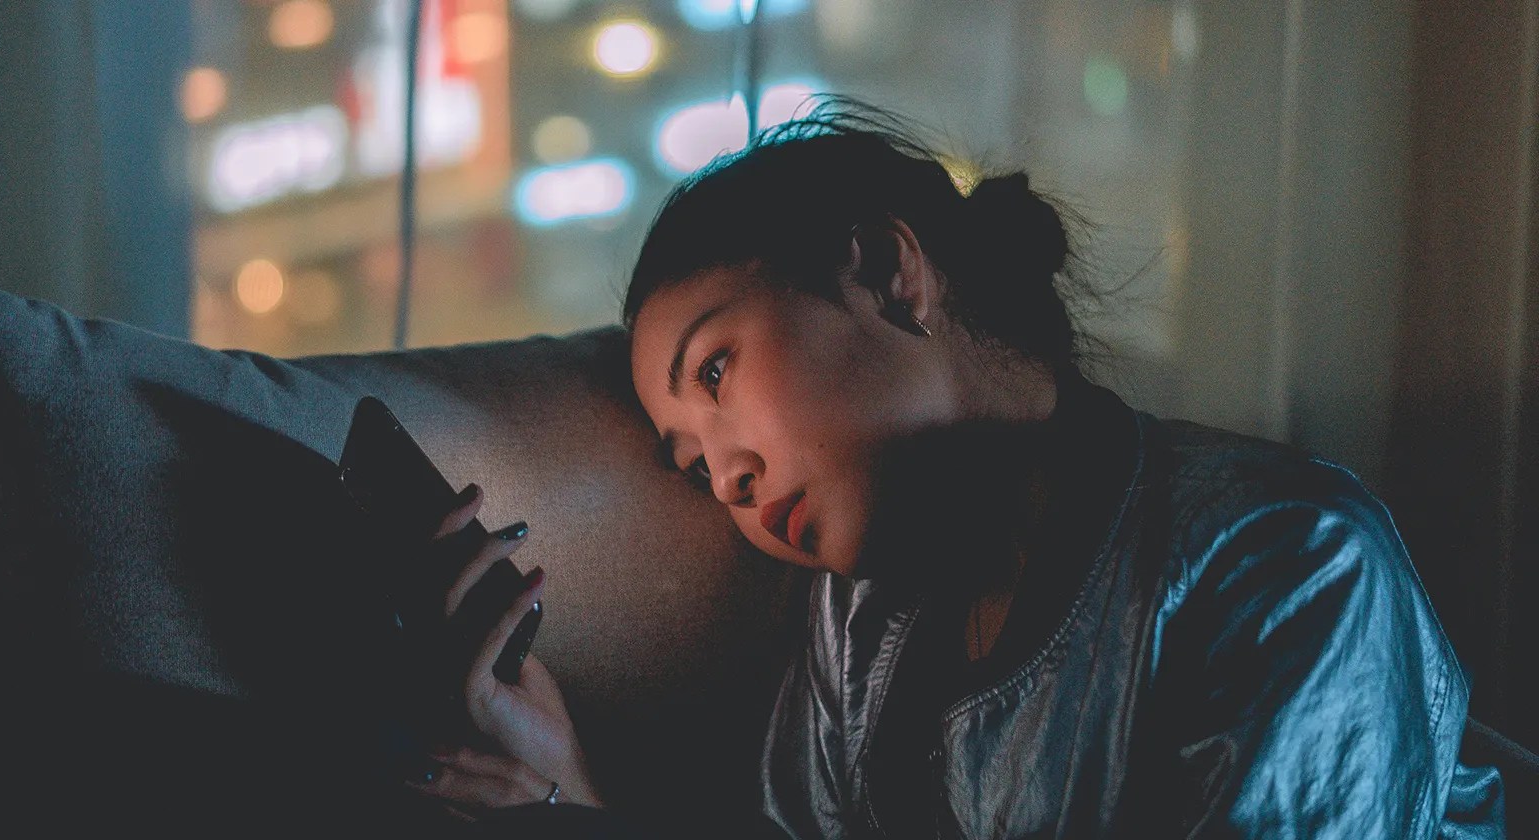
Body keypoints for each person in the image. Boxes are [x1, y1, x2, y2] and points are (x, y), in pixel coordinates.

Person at [409, 101, 1507, 838]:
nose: (729, 479)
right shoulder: (856, 634)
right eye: (693, 468)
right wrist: (567, 787)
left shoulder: (1288, 565)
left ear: (889, 274)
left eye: (718, 368)